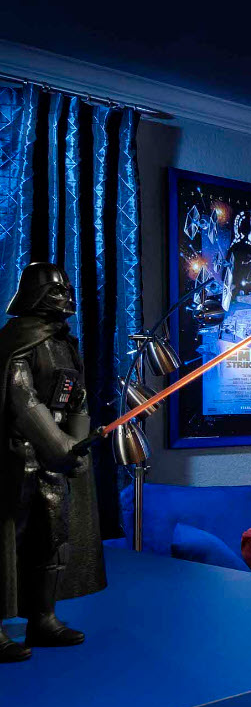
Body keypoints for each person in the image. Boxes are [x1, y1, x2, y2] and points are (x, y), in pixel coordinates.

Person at [0, 263, 105, 662]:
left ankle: (42, 618)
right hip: (13, 457)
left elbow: (76, 396)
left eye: (68, 289)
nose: (66, 297)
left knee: (52, 534)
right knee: (7, 540)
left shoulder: (63, 342)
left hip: (50, 459)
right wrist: (59, 445)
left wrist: (76, 445)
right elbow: (22, 398)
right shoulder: (17, 340)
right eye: (57, 290)